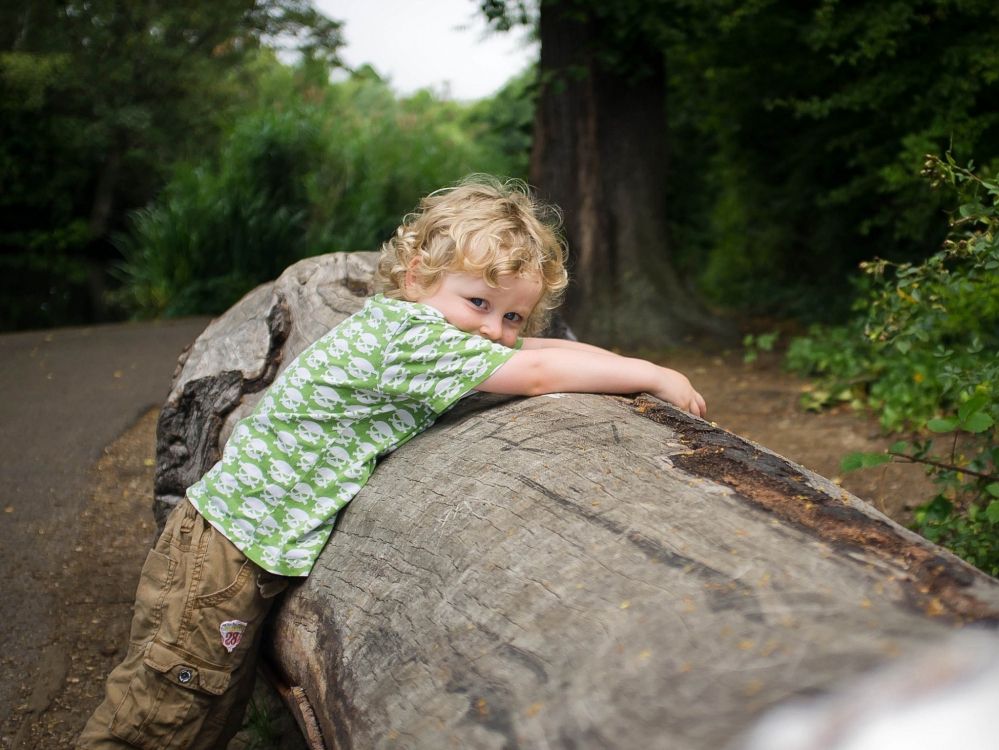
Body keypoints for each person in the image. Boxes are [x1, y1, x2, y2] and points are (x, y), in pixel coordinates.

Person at [78, 175, 705, 749]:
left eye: (511, 314)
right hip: (223, 551)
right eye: (478, 303)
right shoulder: (410, 341)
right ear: (414, 277)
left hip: (240, 543)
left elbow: (539, 348)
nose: (493, 330)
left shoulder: (420, 327)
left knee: (206, 709)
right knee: (158, 716)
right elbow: (539, 370)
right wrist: (652, 373)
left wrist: (615, 360)